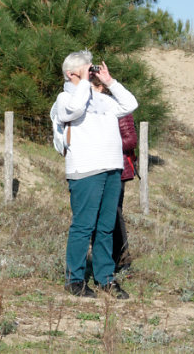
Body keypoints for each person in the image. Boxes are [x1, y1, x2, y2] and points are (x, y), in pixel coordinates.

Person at [51, 51, 137, 299]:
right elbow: (75, 109)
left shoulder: (103, 100)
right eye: (86, 69)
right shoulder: (65, 98)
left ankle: (105, 279)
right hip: (85, 171)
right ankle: (75, 280)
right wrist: (85, 83)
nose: (92, 73)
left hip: (112, 169)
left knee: (106, 228)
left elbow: (130, 104)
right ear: (71, 74)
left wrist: (109, 82)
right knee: (83, 226)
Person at [114, 113, 138, 271]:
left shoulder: (121, 110)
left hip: (118, 169)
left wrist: (107, 144)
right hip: (99, 168)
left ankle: (123, 260)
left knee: (115, 214)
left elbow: (131, 140)